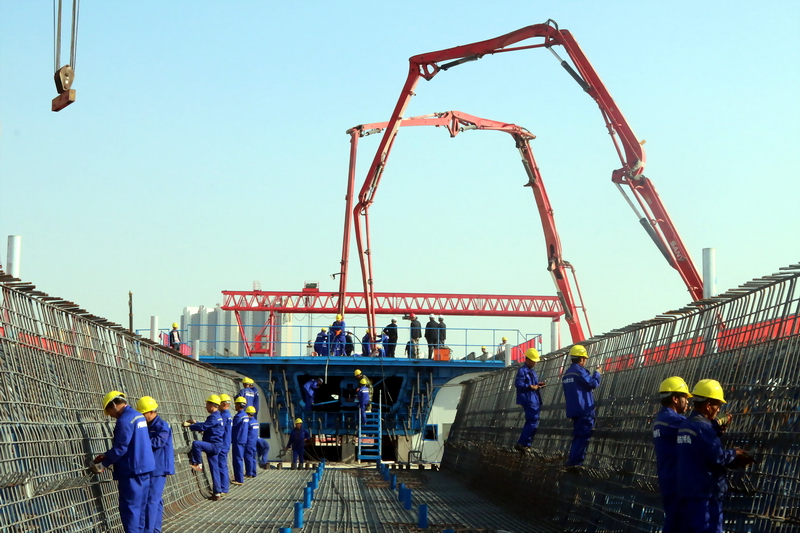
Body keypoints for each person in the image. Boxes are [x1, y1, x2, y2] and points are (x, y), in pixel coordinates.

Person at [677, 379, 755, 533]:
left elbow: (699, 447)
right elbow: (716, 457)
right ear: (708, 405)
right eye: (718, 405)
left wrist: (716, 430)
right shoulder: (703, 427)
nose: (719, 410)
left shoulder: (686, 424)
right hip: (706, 495)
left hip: (689, 490)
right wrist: (735, 453)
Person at [92, 391, 155, 533]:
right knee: (141, 508)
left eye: (110, 412)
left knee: (130, 509)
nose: (112, 416)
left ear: (113, 405)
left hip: (132, 471)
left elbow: (120, 448)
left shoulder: (125, 420)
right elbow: (133, 442)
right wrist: (107, 455)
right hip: (145, 468)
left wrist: (103, 464)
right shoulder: (138, 415)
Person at [652, 376, 692, 533]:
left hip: (669, 478)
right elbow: (697, 430)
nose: (688, 402)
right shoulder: (671, 420)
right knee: (677, 524)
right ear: (675, 399)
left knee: (674, 523)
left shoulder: (661, 419)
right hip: (676, 481)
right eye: (685, 397)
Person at [136, 396, 175, 533]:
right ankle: (155, 530)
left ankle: (148, 530)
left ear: (151, 412)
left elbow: (158, 442)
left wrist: (139, 444)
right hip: (154, 466)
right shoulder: (149, 425)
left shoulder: (161, 425)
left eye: (143, 413)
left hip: (158, 468)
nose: (141, 416)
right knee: (156, 501)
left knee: (151, 501)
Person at [561, 344, 601, 467]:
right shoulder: (579, 371)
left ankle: (573, 462)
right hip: (584, 410)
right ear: (581, 358)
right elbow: (592, 384)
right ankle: (575, 463)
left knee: (578, 437)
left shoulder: (567, 373)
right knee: (583, 437)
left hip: (574, 410)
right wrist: (597, 373)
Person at [185, 394, 225, 500]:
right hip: (216, 445)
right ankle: (217, 493)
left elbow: (204, 427)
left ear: (212, 405)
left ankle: (198, 464)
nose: (206, 406)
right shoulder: (218, 416)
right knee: (214, 469)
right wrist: (196, 422)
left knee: (196, 444)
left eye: (207, 404)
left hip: (213, 445)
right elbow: (207, 425)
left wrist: (190, 426)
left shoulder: (213, 416)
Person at [514, 348, 546, 452]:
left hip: (533, 398)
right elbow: (518, 384)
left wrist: (537, 385)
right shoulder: (523, 370)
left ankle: (525, 443)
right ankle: (523, 443)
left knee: (533, 421)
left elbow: (532, 385)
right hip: (529, 399)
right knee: (532, 420)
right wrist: (530, 386)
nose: (535, 363)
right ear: (527, 359)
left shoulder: (531, 371)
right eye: (534, 360)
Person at [230, 397, 249, 485]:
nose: (235, 406)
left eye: (236, 404)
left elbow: (232, 427)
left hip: (237, 440)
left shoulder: (238, 416)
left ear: (239, 405)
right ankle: (239, 478)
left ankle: (239, 479)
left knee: (237, 460)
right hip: (243, 439)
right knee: (239, 459)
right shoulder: (245, 415)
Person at [217, 394, 233, 496]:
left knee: (221, 466)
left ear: (223, 404)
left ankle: (223, 488)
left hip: (222, 444)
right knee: (223, 466)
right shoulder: (229, 415)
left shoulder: (223, 415)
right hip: (226, 443)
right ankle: (224, 487)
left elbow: (220, 430)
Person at [244, 406, 260, 478]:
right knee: (253, 458)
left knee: (248, 457)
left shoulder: (248, 423)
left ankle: (249, 473)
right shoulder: (255, 422)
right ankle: (254, 473)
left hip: (248, 442)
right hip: (254, 442)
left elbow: (245, 432)